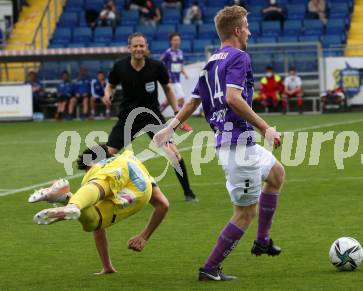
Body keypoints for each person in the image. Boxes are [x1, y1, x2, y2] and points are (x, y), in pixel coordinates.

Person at [154, 6, 285, 281]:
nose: (249, 31)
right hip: (238, 145)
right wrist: (266, 128)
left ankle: (262, 240)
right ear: (237, 30)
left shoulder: (212, 62)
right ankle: (210, 268)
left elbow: (192, 102)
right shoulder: (239, 57)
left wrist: (168, 129)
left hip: (236, 142)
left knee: (276, 174)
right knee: (245, 212)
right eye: (246, 26)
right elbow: (233, 99)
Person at [29, 144, 169, 274]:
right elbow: (163, 205)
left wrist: (68, 208)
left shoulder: (96, 170)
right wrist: (144, 236)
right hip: (141, 191)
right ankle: (67, 199)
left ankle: (68, 199)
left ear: (90, 163)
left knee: (97, 187)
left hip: (115, 184)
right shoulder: (130, 160)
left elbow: (97, 230)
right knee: (95, 220)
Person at [102, 32, 198, 202]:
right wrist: (107, 94)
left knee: (173, 154)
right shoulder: (119, 66)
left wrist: (177, 112)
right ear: (129, 48)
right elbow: (110, 85)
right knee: (108, 154)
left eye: (141, 46)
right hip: (128, 117)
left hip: (152, 116)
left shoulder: (156, 66)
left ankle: (188, 193)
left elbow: (168, 88)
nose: (138, 49)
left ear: (146, 48)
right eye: (135, 46)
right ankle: (103, 192)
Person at [159, 32, 193, 132]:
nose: (177, 42)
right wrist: (165, 75)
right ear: (171, 41)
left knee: (168, 101)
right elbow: (160, 64)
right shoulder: (168, 53)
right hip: (170, 80)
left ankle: (154, 115)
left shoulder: (180, 53)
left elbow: (180, 65)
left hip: (177, 80)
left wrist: (184, 73)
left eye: (178, 40)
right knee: (181, 99)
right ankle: (182, 123)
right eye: (175, 40)